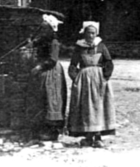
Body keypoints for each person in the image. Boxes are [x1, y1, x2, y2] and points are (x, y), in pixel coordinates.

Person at [67, 21, 116, 148]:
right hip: (84, 80)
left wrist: (105, 76)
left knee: (99, 106)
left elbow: (109, 62)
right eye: (88, 33)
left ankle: (98, 136)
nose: (91, 36)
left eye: (93, 33)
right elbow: (73, 65)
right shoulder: (79, 47)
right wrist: (76, 78)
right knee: (86, 106)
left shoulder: (101, 46)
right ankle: (88, 136)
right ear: (84, 33)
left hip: (99, 79)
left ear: (96, 34)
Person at [27, 13, 67, 141]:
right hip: (42, 71)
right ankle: (41, 128)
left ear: (50, 29)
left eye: (45, 28)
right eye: (42, 28)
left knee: (51, 98)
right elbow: (34, 45)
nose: (42, 30)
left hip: (51, 71)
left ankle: (52, 130)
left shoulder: (54, 41)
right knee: (41, 98)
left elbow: (53, 59)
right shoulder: (42, 40)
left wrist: (39, 67)